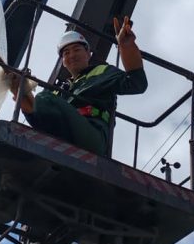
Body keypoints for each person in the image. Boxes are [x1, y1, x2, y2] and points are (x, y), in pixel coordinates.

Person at [10, 16, 147, 155]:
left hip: (92, 133)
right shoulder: (59, 91)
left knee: (44, 98)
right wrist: (19, 90)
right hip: (63, 134)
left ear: (88, 53)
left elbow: (137, 83)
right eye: (66, 53)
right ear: (63, 61)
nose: (72, 55)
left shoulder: (102, 72)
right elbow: (37, 115)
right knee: (40, 102)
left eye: (77, 49)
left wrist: (126, 47)